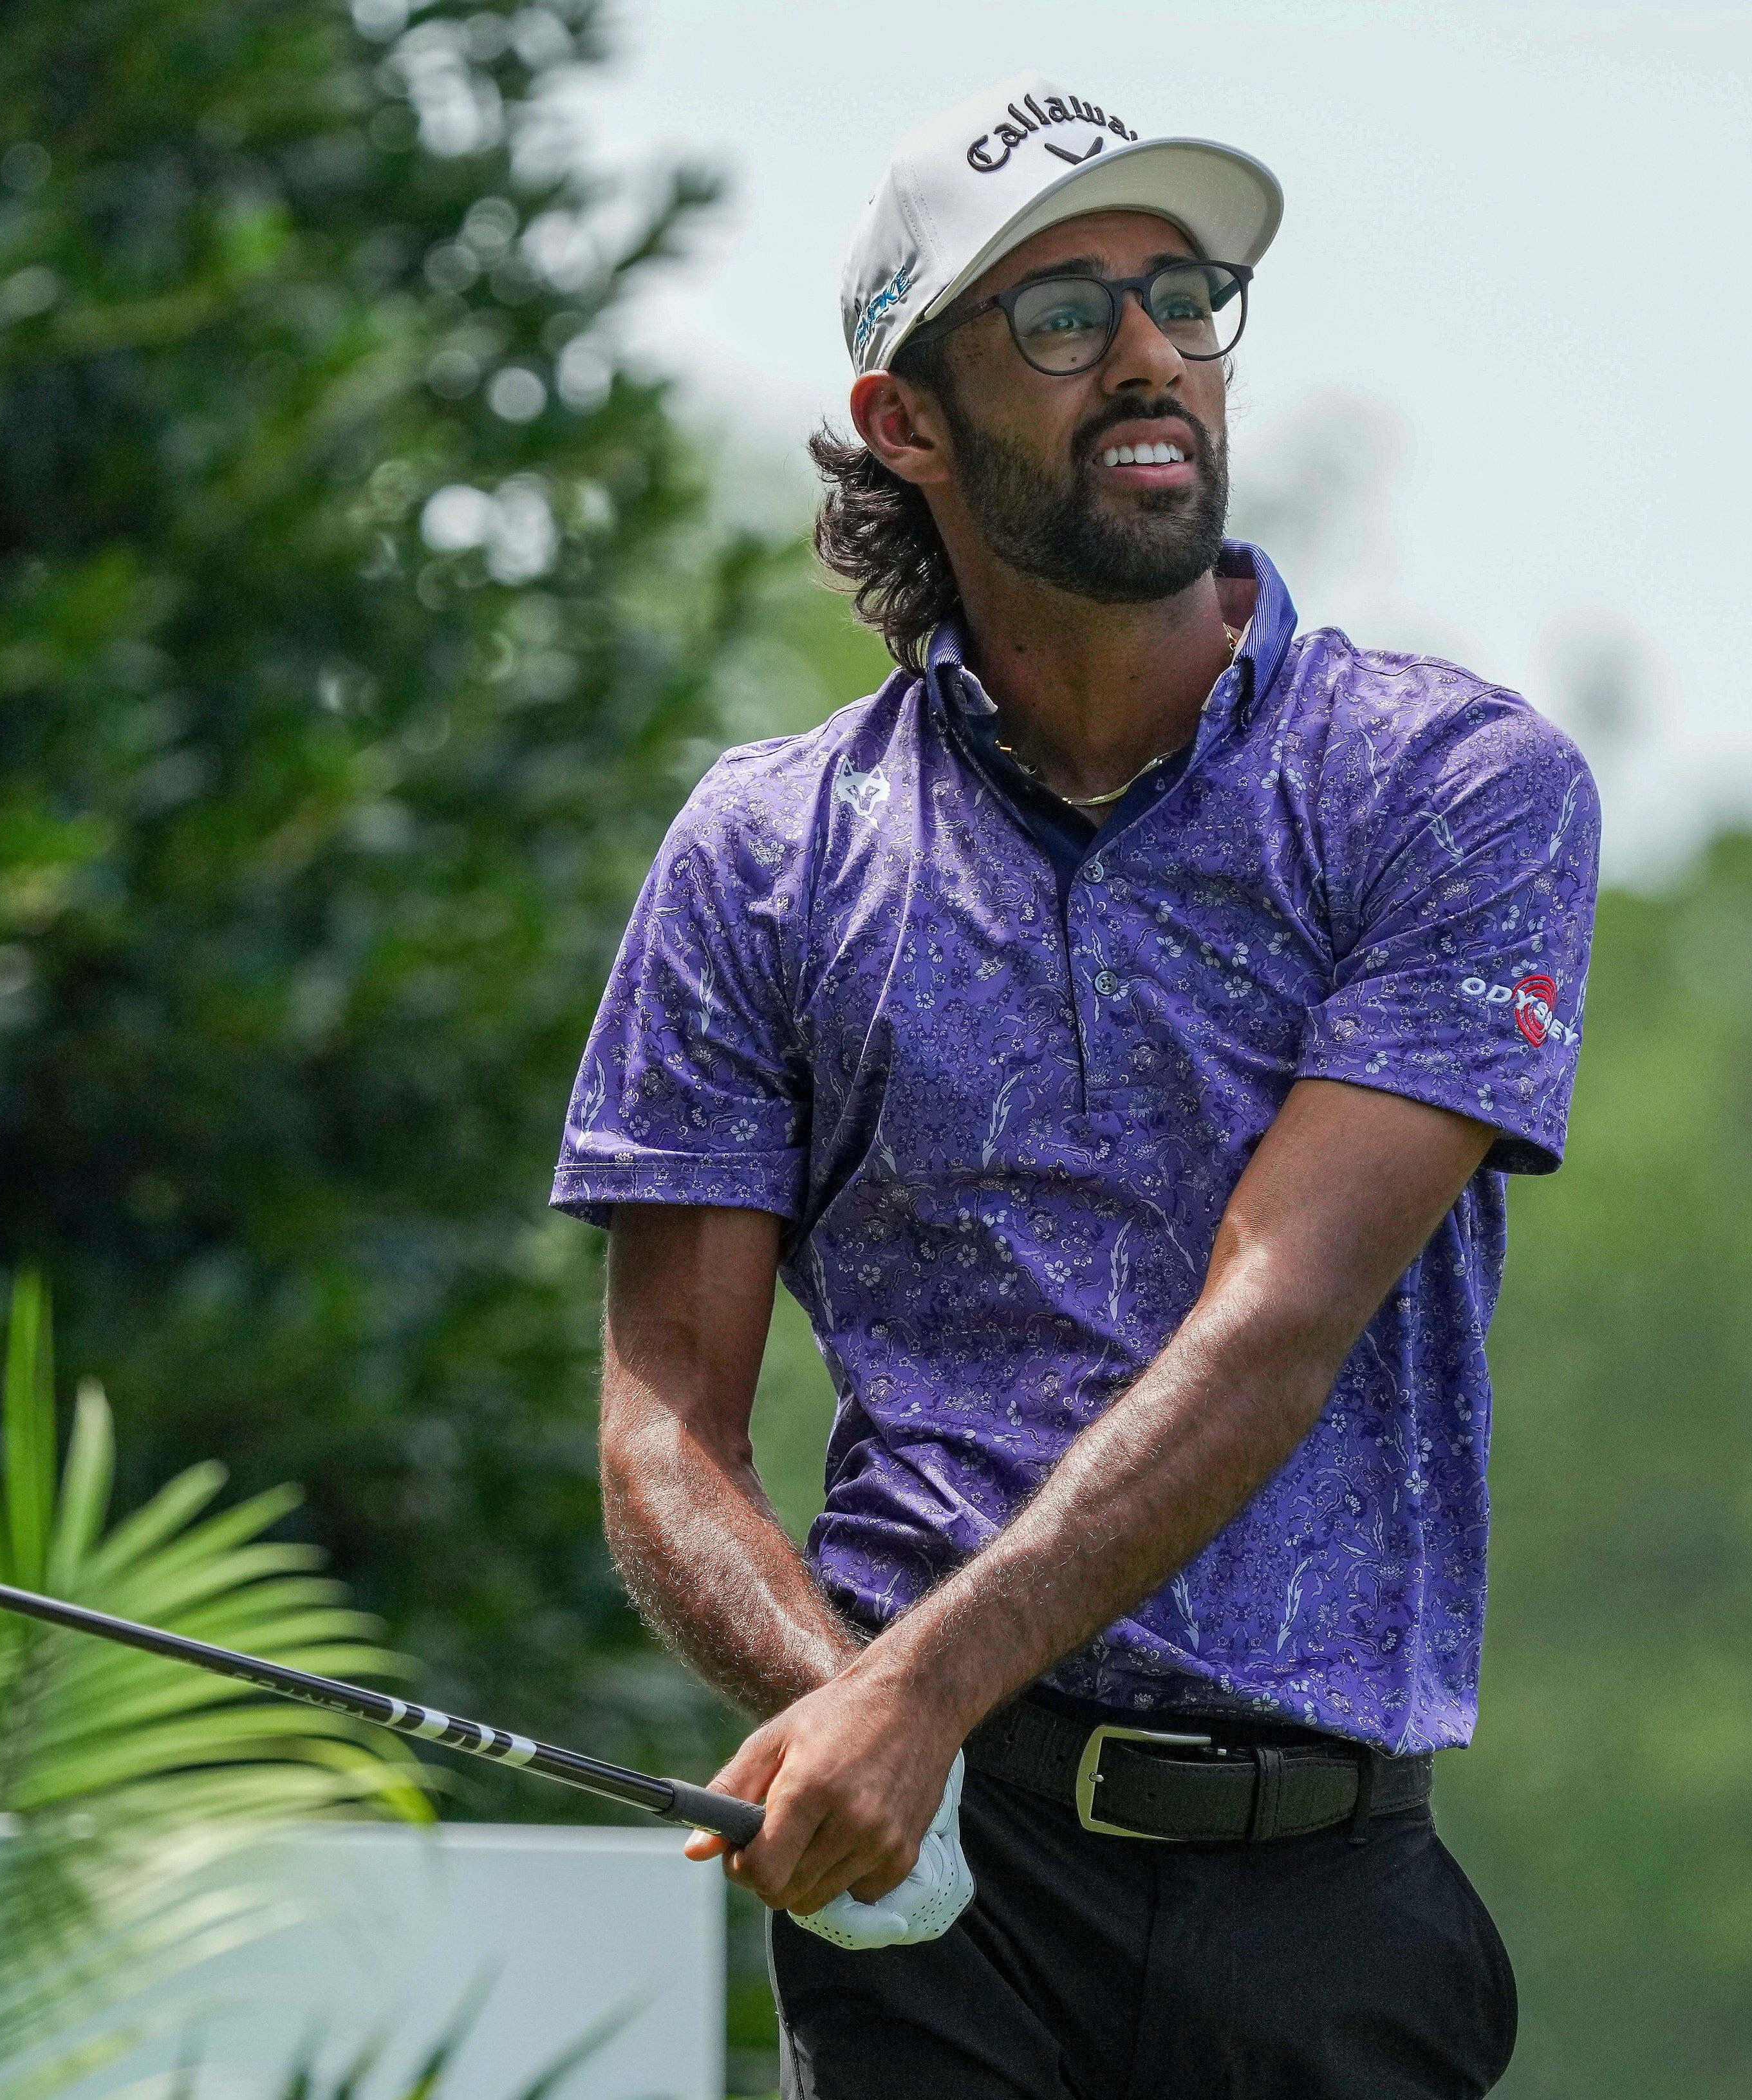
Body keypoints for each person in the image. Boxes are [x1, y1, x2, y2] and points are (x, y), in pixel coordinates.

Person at [552, 71, 1599, 2099]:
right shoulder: (766, 852)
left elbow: (1276, 1325)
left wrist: (910, 1695)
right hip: (945, 1903)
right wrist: (844, 1715)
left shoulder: (1448, 785)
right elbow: (665, 1427)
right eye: (1057, 312)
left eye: (1181, 295)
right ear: (906, 421)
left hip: (1320, 1906)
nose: (1146, 354)